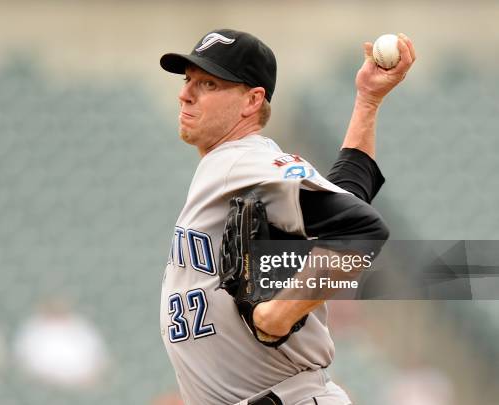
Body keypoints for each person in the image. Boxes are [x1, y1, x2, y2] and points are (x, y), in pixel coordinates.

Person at [159, 28, 416, 404]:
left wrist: (277, 314)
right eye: (188, 81)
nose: (185, 93)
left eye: (209, 84)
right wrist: (367, 101)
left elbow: (361, 228)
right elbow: (347, 198)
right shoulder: (234, 169)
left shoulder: (240, 160)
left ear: (252, 100)